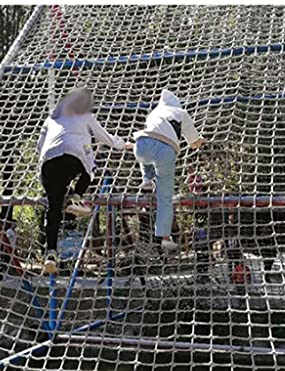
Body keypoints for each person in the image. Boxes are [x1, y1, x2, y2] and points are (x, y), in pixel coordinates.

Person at [37, 88, 131, 274]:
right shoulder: (84, 115)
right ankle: (76, 197)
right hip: (73, 156)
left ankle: (51, 253)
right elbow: (103, 136)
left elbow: (39, 145)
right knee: (90, 170)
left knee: (53, 210)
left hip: (48, 162)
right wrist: (123, 144)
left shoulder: (52, 118)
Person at [133, 89, 206, 251]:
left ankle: (146, 179)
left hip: (140, 144)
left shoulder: (154, 113)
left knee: (147, 157)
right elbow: (193, 141)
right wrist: (200, 141)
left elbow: (152, 134)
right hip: (165, 148)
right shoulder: (181, 113)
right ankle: (165, 238)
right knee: (165, 198)